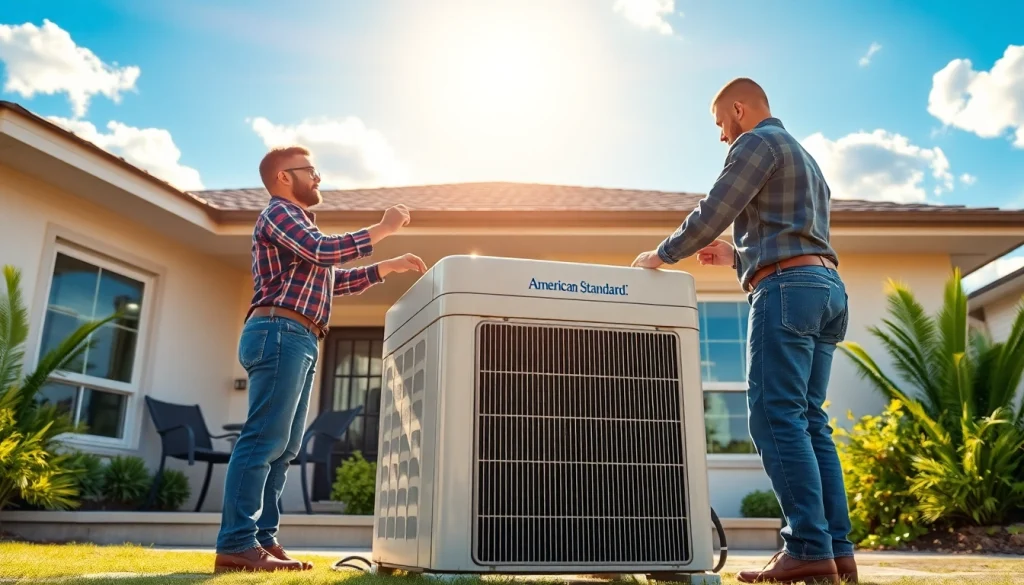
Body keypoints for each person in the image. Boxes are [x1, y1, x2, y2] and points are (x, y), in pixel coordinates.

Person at [631, 78, 856, 585]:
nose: (721, 137)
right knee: (808, 421)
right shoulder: (804, 157)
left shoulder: (757, 141)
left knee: (775, 416)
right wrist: (738, 257)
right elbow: (790, 234)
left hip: (789, 287)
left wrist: (662, 254)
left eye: (719, 124)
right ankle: (837, 553)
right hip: (825, 287)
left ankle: (806, 547)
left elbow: (714, 210)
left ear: (738, 109)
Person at [214, 145, 427, 573]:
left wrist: (387, 266)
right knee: (263, 440)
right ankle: (236, 542)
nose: (318, 177)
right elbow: (324, 250)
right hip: (279, 332)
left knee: (285, 446)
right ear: (282, 178)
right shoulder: (279, 214)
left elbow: (332, 279)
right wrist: (383, 228)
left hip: (300, 335)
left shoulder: (301, 230)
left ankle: (261, 539)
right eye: (309, 170)